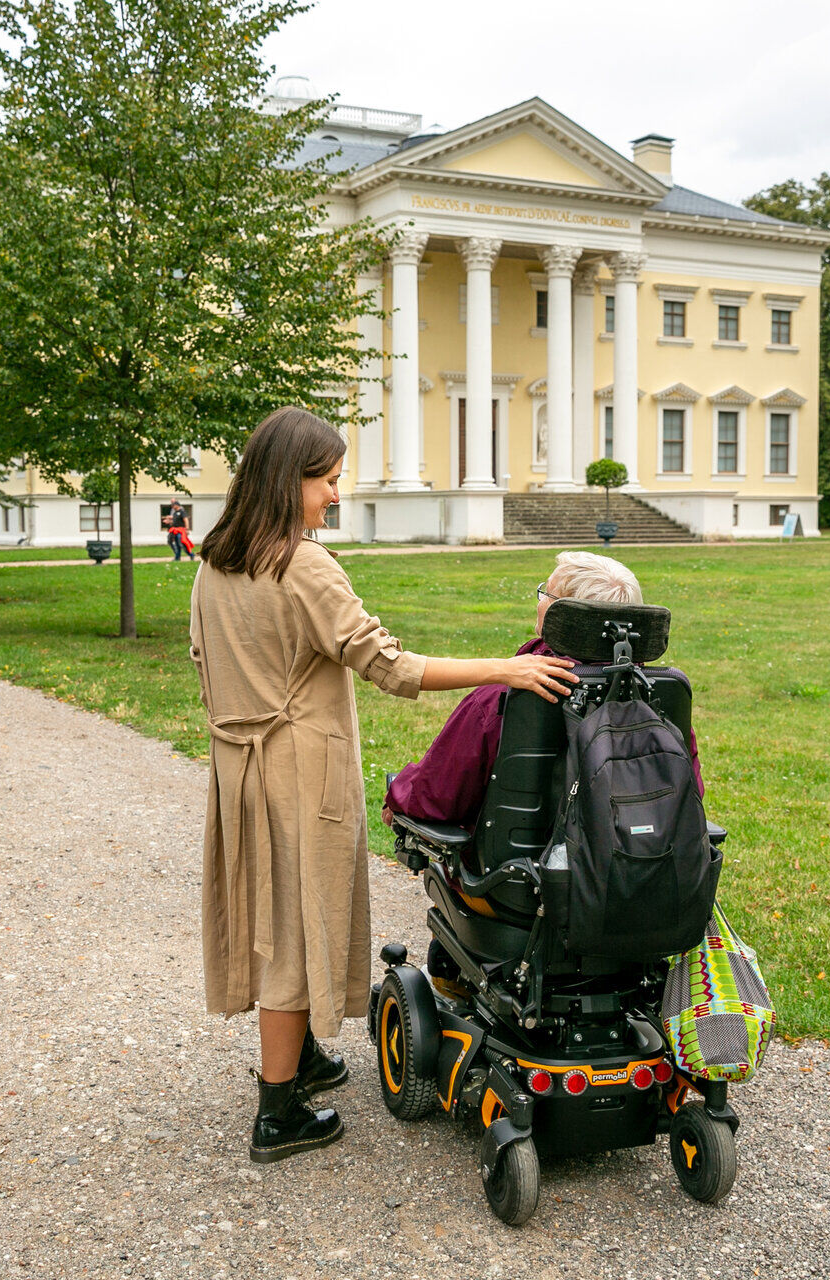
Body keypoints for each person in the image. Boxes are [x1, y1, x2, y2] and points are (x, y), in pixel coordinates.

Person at [190, 406, 577, 1164]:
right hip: (299, 772)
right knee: (296, 933)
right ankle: (279, 1113)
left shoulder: (214, 562)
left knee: (270, 914)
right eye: (327, 481)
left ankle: (298, 1060)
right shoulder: (300, 564)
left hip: (237, 772)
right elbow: (389, 666)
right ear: (287, 480)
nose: (335, 495)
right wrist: (507, 668)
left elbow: (205, 662)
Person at [385, 550, 701, 829]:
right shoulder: (660, 696)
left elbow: (437, 797)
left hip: (520, 881)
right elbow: (690, 792)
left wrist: (398, 798)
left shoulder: (507, 696)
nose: (539, 603)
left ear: (564, 616)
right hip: (639, 871)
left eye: (544, 594)